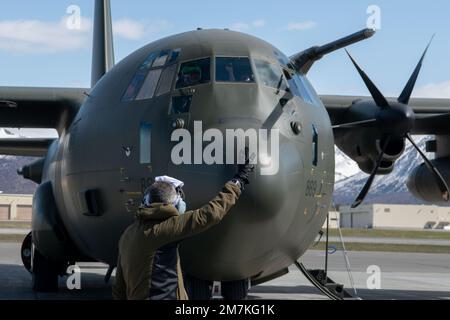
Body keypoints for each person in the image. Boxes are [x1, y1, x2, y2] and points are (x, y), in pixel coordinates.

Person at [112, 157, 254, 300]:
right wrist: (238, 181)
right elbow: (210, 214)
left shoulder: (128, 234)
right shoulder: (165, 229)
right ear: (173, 204)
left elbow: (119, 289)